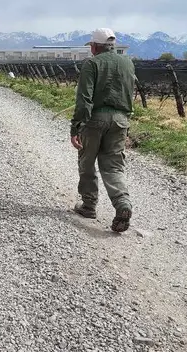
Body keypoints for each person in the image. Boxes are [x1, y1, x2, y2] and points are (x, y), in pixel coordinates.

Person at [70, 28, 136, 233]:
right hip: (120, 120)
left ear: (95, 46)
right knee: (114, 166)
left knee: (87, 162)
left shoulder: (91, 64)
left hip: (95, 120)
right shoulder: (128, 62)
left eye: (91, 45)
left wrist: (76, 127)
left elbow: (84, 100)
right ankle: (122, 203)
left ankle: (89, 206)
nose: (90, 49)